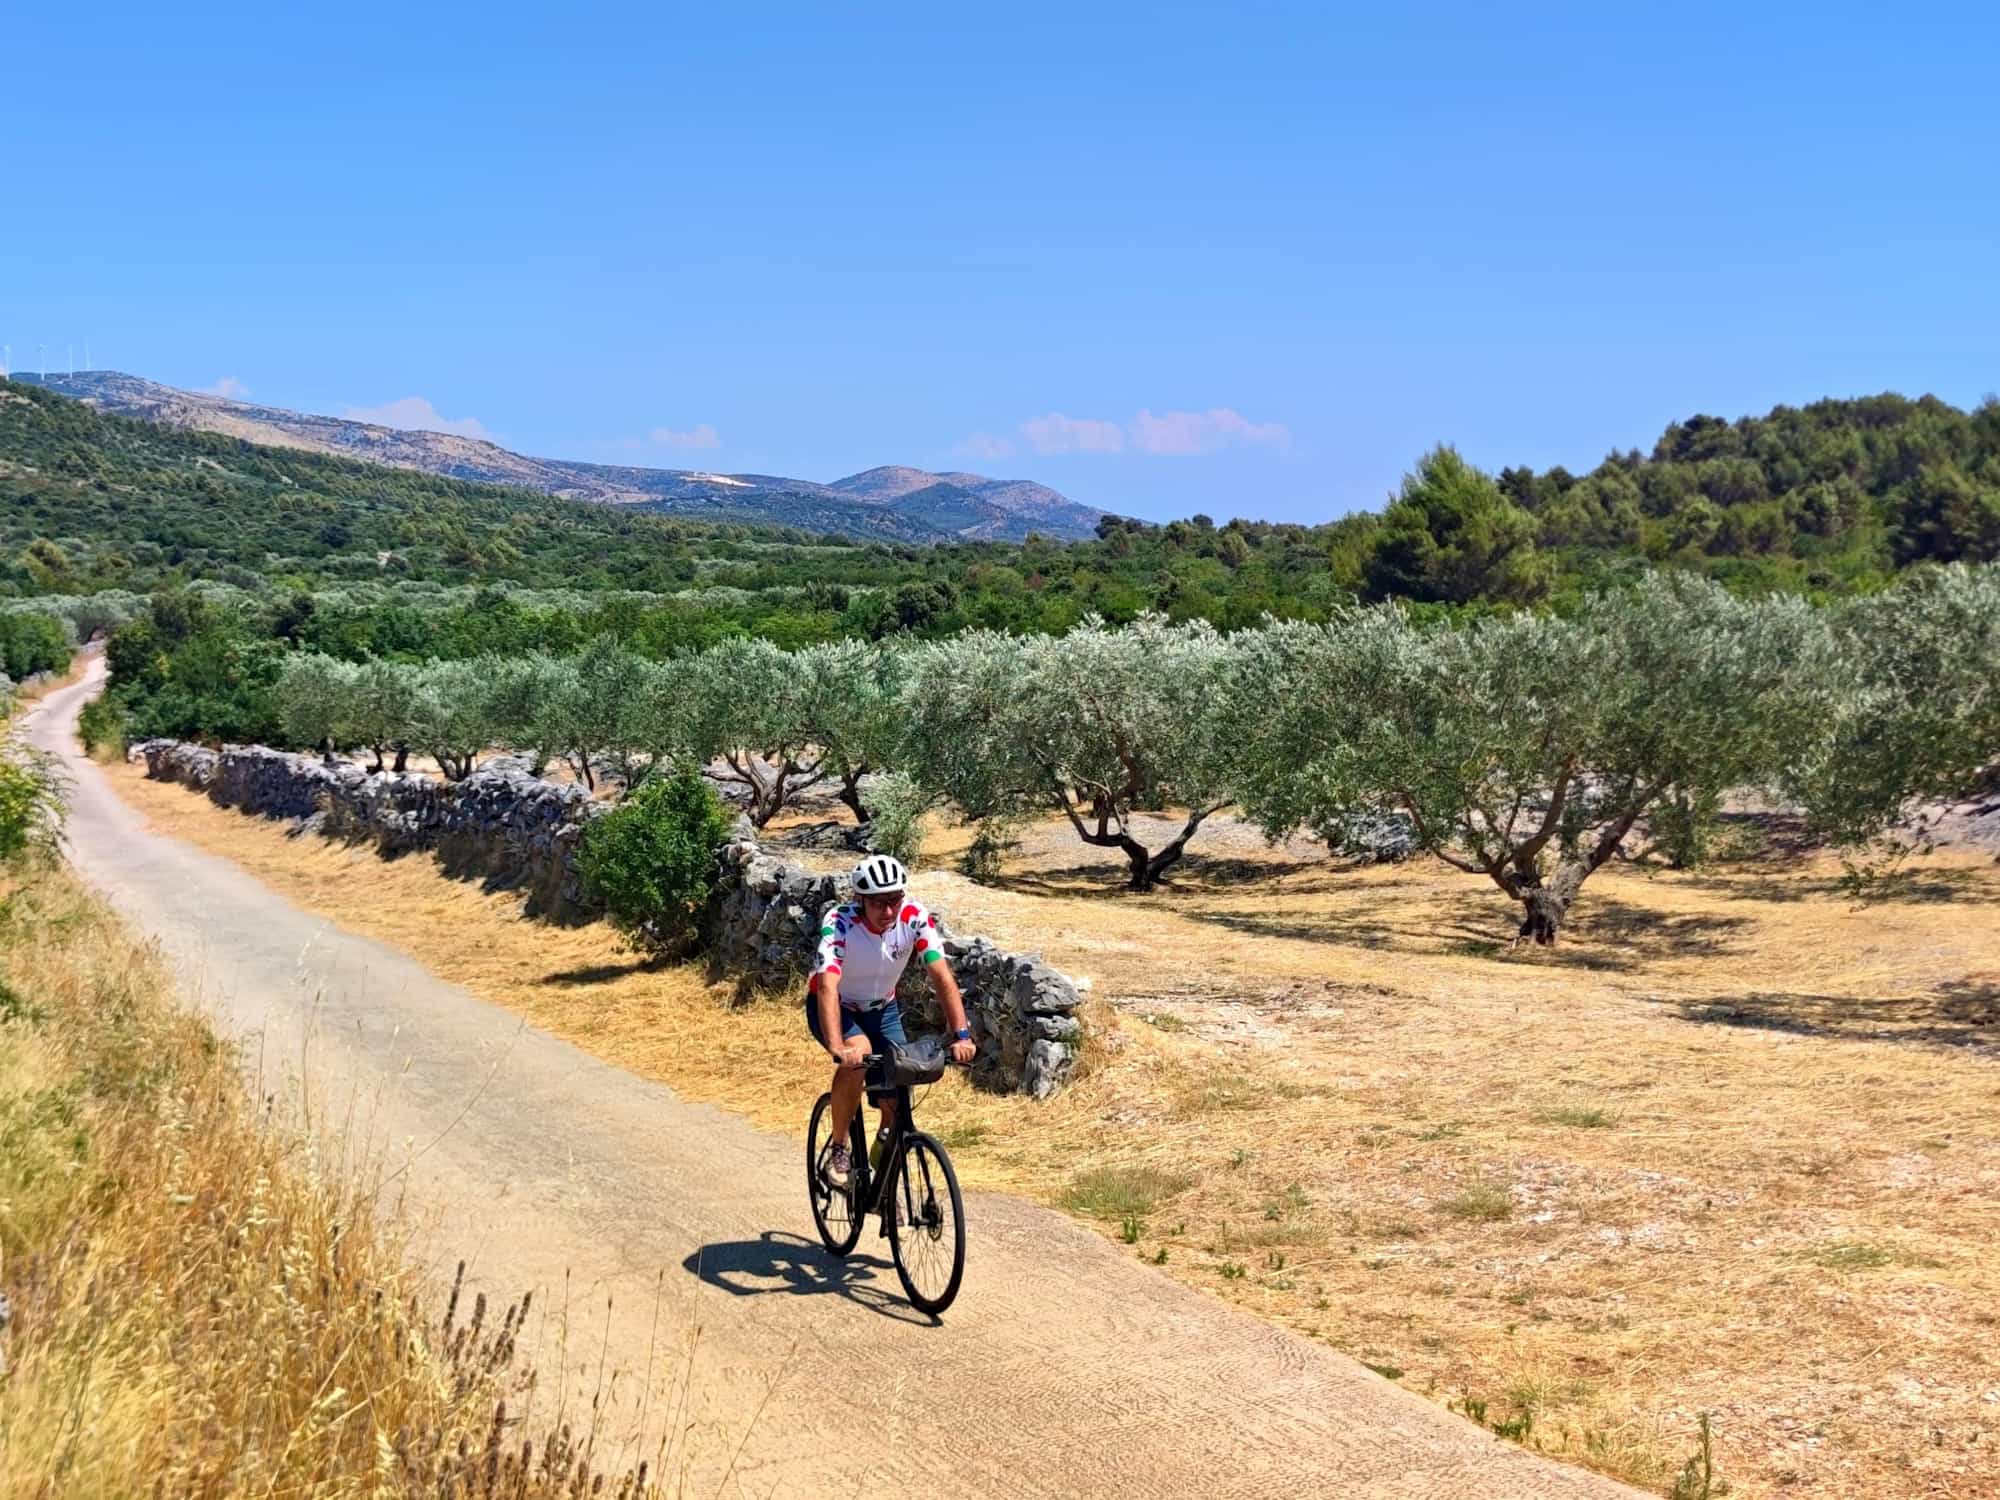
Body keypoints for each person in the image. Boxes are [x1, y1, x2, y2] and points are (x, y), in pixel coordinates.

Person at [809, 854, 976, 1190]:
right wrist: (838, 1046)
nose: (887, 911)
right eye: (877, 903)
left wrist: (962, 1034)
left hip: (883, 1008)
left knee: (896, 1098)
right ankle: (839, 1147)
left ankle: (879, 1183)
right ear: (860, 900)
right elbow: (827, 985)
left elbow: (941, 975)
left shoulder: (913, 917)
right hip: (838, 1006)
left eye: (894, 900)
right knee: (859, 1053)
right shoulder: (840, 922)